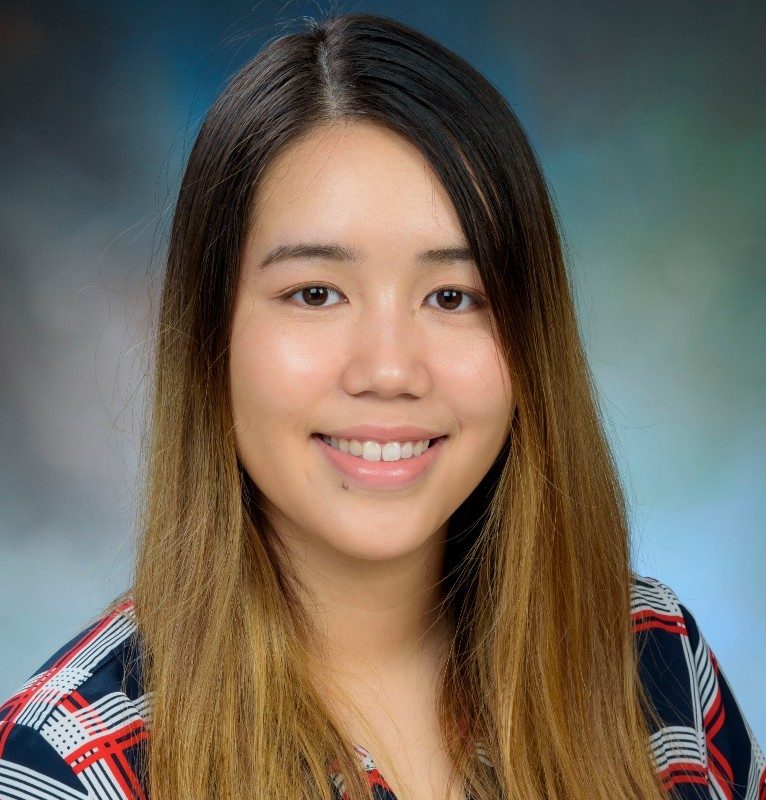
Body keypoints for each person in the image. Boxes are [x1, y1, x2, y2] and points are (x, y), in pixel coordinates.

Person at [0, 11, 762, 800]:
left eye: (452, 296)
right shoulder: (66, 765)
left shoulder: (656, 665)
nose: (391, 370)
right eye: (316, 293)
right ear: (209, 335)